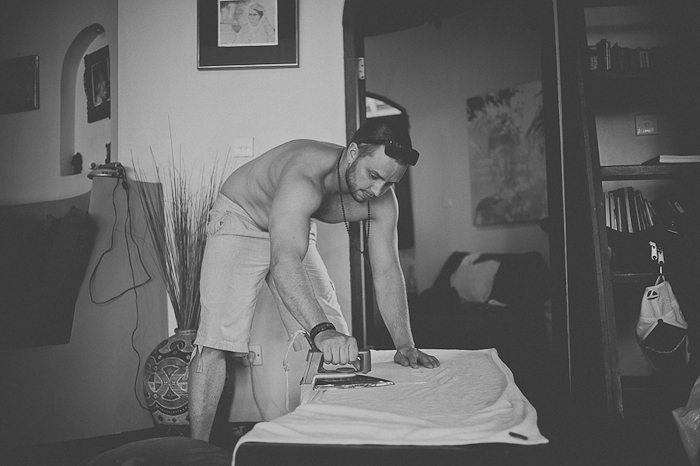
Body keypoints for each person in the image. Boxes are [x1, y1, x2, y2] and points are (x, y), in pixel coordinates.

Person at [188, 119, 440, 441]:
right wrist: (321, 332)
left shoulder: (382, 201)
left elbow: (388, 271)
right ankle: (194, 453)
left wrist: (405, 344)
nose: (377, 191)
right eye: (373, 176)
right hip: (243, 219)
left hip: (291, 229)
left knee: (338, 342)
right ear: (352, 154)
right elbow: (284, 261)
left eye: (389, 183)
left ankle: (332, 443)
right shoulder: (305, 177)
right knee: (214, 341)